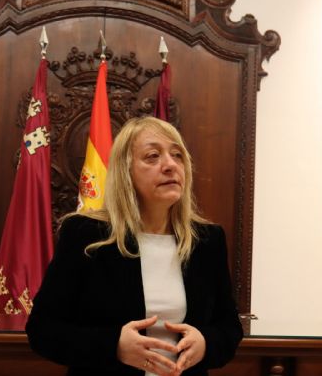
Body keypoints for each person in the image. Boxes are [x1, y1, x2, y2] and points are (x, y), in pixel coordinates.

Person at [26, 116, 243, 376]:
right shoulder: (85, 235)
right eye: (153, 156)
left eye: (177, 155)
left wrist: (206, 343)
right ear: (125, 171)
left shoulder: (207, 240)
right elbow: (42, 329)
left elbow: (229, 328)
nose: (170, 165)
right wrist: (114, 346)